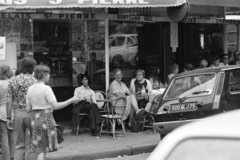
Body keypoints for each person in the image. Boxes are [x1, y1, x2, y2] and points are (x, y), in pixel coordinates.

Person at [26, 65, 80, 160]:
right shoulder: (46, 89)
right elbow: (56, 106)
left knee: (39, 149)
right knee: (42, 150)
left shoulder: (30, 89)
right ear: (44, 75)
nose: (49, 76)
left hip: (34, 119)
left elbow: (28, 109)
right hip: (45, 119)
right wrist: (71, 100)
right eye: (48, 74)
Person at [6, 57, 38, 160]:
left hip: (18, 113)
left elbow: (9, 101)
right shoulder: (35, 81)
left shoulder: (12, 80)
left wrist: (8, 118)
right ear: (32, 67)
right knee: (31, 143)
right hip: (31, 113)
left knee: (19, 144)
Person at [0, 65, 14, 160]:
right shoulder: (13, 82)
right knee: (12, 136)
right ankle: (13, 156)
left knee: (3, 136)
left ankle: (6, 158)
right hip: (13, 112)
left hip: (1, 112)